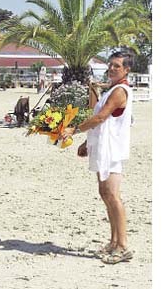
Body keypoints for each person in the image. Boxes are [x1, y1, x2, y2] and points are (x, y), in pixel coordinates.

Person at [61, 51, 135, 264]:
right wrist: (87, 142)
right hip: (103, 147)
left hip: (112, 150)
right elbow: (105, 121)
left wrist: (73, 131)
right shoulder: (111, 89)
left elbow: (101, 117)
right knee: (105, 194)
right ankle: (113, 242)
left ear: (126, 70)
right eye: (111, 65)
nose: (112, 68)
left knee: (112, 195)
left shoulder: (120, 91)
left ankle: (122, 246)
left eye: (117, 66)